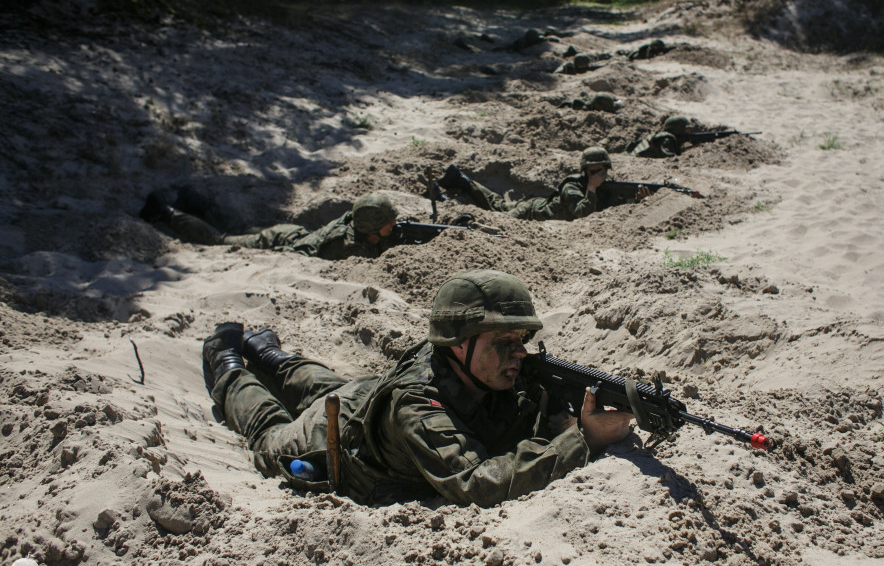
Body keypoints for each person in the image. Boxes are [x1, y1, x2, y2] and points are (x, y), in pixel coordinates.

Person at [201, 269, 635, 506]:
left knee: (321, 385)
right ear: (458, 344)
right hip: (332, 440)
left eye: (520, 340)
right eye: (502, 342)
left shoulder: (485, 366)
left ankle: (273, 356)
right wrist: (580, 439)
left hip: (362, 395)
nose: (518, 354)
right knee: (267, 432)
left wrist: (560, 414)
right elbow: (477, 481)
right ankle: (230, 364)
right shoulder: (416, 406)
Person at [139, 190, 399, 260]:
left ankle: (193, 200)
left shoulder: (354, 220)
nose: (393, 226)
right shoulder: (347, 247)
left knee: (239, 228)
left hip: (292, 234)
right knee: (222, 240)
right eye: (388, 224)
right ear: (370, 228)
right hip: (278, 244)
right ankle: (165, 212)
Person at [434, 147, 649, 222]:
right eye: (594, 172)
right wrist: (591, 187)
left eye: (603, 171)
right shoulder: (573, 187)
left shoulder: (606, 186)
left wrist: (636, 199)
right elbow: (581, 213)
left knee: (497, 204)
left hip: (535, 207)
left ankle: (462, 183)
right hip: (531, 212)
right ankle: (449, 199)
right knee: (497, 216)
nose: (600, 175)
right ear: (585, 171)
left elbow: (615, 203)